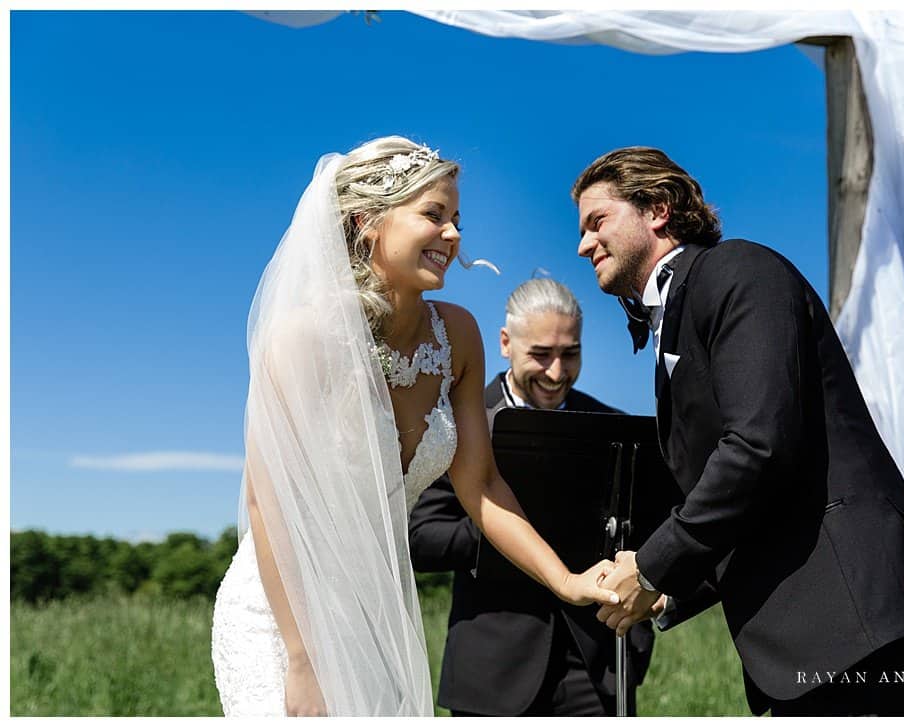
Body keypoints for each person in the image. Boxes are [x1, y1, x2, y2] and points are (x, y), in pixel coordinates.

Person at [210, 137, 618, 717]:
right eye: (433, 215)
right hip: (284, 614)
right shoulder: (303, 339)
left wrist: (566, 580)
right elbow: (266, 506)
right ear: (368, 223)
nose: (453, 236)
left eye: (456, 219)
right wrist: (302, 660)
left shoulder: (459, 337)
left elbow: (480, 487)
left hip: (379, 611)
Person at [571, 147, 904, 717]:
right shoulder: (681, 315)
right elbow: (750, 494)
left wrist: (654, 562)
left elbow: (759, 449)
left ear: (657, 209)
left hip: (853, 609)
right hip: (809, 629)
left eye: (597, 221)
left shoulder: (737, 270)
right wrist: (667, 587)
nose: (583, 245)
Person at [409, 278, 655, 716]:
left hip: (595, 667)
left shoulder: (610, 424)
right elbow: (420, 537)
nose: (556, 372)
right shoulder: (455, 426)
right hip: (493, 672)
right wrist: (516, 526)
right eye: (540, 355)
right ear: (506, 343)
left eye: (570, 354)